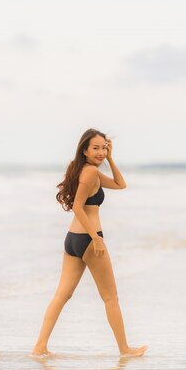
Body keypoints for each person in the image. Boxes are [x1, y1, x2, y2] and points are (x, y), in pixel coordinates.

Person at [31, 128, 148, 357]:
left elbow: (120, 184)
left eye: (104, 147)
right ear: (84, 149)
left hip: (72, 240)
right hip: (88, 238)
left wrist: (111, 159)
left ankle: (39, 347)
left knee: (61, 295)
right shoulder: (90, 173)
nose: (101, 152)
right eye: (96, 148)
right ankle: (124, 349)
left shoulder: (85, 171)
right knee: (110, 297)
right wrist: (96, 238)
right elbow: (77, 207)